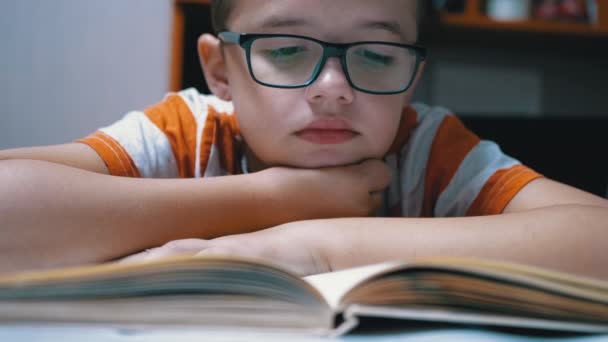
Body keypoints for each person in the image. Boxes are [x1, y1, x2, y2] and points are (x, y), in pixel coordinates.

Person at [1, 0, 606, 278]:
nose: (334, 89)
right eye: (287, 51)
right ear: (220, 72)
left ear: (413, 76)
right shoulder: (187, 134)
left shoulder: (426, 149)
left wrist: (317, 241)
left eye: (375, 55)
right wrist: (274, 198)